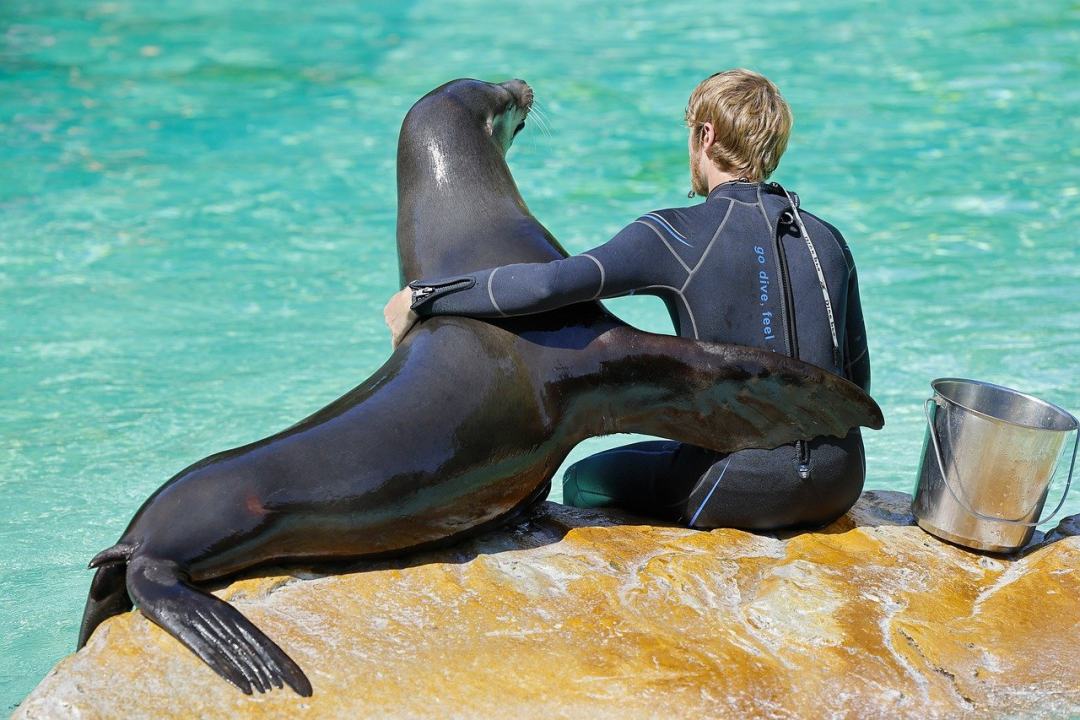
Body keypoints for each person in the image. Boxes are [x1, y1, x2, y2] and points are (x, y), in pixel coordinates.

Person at [383, 69, 870, 531]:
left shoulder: (676, 234)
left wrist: (428, 296)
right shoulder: (827, 238)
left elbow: (550, 286)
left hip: (740, 488)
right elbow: (857, 381)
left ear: (705, 136)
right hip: (840, 483)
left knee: (581, 481)